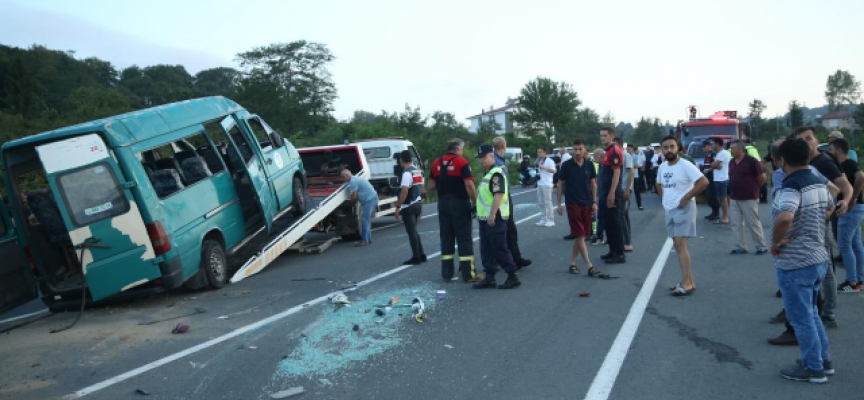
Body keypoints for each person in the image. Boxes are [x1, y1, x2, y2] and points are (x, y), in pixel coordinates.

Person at [770, 138, 833, 384]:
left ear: (782, 161)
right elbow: (829, 208)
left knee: (801, 317)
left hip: (797, 260)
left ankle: (813, 367)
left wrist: (776, 241)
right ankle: (822, 359)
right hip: (818, 255)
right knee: (813, 313)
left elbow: (785, 216)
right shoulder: (818, 182)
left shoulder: (792, 186)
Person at [796, 126, 850, 328]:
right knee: (811, 267)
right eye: (802, 140)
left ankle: (828, 313)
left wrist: (844, 202)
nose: (806, 142)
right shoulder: (804, 162)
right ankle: (813, 308)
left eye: (809, 138)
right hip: (807, 222)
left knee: (825, 269)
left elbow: (844, 186)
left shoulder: (823, 161)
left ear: (816, 140)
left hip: (820, 222)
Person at [656, 136, 709, 296]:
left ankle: (686, 283)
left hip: (684, 208)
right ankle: (689, 281)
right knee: (678, 245)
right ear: (662, 150)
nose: (669, 150)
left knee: (680, 245)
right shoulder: (663, 167)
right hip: (670, 209)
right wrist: (665, 199)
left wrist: (686, 197)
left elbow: (703, 181)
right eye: (665, 147)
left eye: (672, 146)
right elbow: (658, 183)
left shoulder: (686, 165)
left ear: (678, 147)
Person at [428, 139, 481, 282]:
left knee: (446, 237)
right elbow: (469, 184)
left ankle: (447, 273)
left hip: (443, 203)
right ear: (457, 149)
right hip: (460, 203)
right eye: (462, 149)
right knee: (464, 238)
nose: (462, 152)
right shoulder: (461, 162)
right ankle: (468, 274)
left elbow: (431, 185)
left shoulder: (436, 162)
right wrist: (475, 202)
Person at [472, 144, 522, 290]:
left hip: (495, 218)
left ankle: (512, 275)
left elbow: (498, 194)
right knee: (486, 249)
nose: (481, 160)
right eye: (480, 158)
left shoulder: (496, 174)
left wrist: (493, 214)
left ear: (491, 157)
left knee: (499, 248)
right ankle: (489, 277)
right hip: (485, 218)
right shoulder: (488, 174)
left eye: (484, 157)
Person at [557, 140, 600, 276]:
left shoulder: (589, 165)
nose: (577, 152)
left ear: (585, 150)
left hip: (587, 202)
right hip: (572, 203)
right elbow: (560, 184)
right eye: (575, 149)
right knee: (580, 234)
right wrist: (559, 203)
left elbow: (593, 183)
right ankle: (589, 265)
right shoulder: (566, 166)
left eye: (580, 149)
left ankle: (573, 263)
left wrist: (594, 201)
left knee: (580, 235)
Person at [828, 138, 864, 292]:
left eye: (831, 150)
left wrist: (852, 198)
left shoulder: (846, 164)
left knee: (844, 244)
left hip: (850, 210)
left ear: (839, 150)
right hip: (857, 209)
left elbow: (861, 177)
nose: (830, 153)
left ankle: (852, 281)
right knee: (856, 244)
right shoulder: (847, 165)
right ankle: (860, 279)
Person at [492, 136, 532, 268]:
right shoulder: (496, 161)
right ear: (504, 146)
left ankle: (512, 258)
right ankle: (511, 260)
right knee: (507, 230)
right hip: (501, 198)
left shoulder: (496, 159)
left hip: (501, 197)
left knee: (508, 230)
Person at [727, 140, 769, 255]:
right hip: (735, 197)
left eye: (734, 148)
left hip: (749, 197)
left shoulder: (751, 161)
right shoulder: (731, 162)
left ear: (741, 149)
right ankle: (740, 246)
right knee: (736, 223)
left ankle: (761, 245)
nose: (732, 150)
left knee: (753, 222)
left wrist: (755, 188)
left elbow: (762, 178)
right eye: (731, 148)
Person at [394, 150, 426, 265]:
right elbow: (422, 188)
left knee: (411, 232)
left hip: (409, 206)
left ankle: (416, 256)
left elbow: (404, 191)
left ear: (401, 160)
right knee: (414, 231)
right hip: (418, 203)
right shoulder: (418, 171)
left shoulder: (407, 174)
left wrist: (398, 206)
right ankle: (421, 254)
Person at [598, 127, 626, 264]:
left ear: (611, 136)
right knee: (608, 223)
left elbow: (616, 173)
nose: (602, 138)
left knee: (615, 223)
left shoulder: (614, 151)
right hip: (606, 191)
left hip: (612, 192)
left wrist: (612, 193)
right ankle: (612, 250)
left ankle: (619, 253)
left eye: (604, 135)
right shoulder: (607, 151)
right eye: (601, 136)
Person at [342, 169, 379, 247]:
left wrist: (350, 203)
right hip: (372, 198)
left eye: (343, 177)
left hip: (370, 200)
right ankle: (368, 239)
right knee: (366, 219)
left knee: (364, 219)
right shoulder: (355, 179)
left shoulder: (353, 181)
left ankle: (365, 240)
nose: (343, 179)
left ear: (347, 176)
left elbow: (354, 196)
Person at [615, 137, 635, 252]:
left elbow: (631, 171)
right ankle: (627, 240)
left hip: (624, 189)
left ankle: (626, 242)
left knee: (621, 216)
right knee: (625, 215)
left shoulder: (625, 155)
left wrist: (628, 189)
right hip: (621, 188)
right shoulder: (619, 155)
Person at [706, 137, 731, 224]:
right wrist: (714, 165)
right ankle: (725, 215)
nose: (712, 146)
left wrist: (714, 165)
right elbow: (716, 166)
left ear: (717, 144)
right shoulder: (719, 154)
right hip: (719, 178)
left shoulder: (722, 154)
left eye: (713, 144)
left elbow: (715, 164)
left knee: (723, 199)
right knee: (721, 198)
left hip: (722, 179)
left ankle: (725, 217)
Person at [699, 140, 721, 220]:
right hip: (707, 178)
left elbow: (717, 166)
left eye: (704, 147)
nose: (703, 149)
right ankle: (713, 212)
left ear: (709, 146)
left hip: (713, 178)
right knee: (708, 196)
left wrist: (708, 170)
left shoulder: (713, 155)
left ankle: (716, 213)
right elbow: (707, 165)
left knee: (712, 196)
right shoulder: (707, 156)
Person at [535, 147, 556, 227]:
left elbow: (554, 171)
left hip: (547, 184)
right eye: (538, 152)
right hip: (540, 183)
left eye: (540, 152)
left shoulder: (549, 161)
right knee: (541, 202)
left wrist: (543, 167)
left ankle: (551, 220)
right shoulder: (539, 161)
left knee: (547, 202)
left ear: (544, 152)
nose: (538, 154)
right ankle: (544, 219)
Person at [590, 149, 606, 245]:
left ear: (600, 156)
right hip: (600, 194)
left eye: (595, 156)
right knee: (600, 216)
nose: (594, 158)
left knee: (603, 217)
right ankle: (599, 236)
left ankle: (600, 237)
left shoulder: (605, 167)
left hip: (604, 195)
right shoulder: (600, 166)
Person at [627, 143, 644, 210]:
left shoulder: (635, 156)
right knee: (627, 191)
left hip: (635, 175)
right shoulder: (625, 156)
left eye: (629, 149)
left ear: (632, 149)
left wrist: (629, 167)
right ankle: (627, 205)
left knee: (637, 191)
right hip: (627, 176)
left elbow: (637, 165)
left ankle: (639, 205)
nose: (628, 150)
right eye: (627, 149)